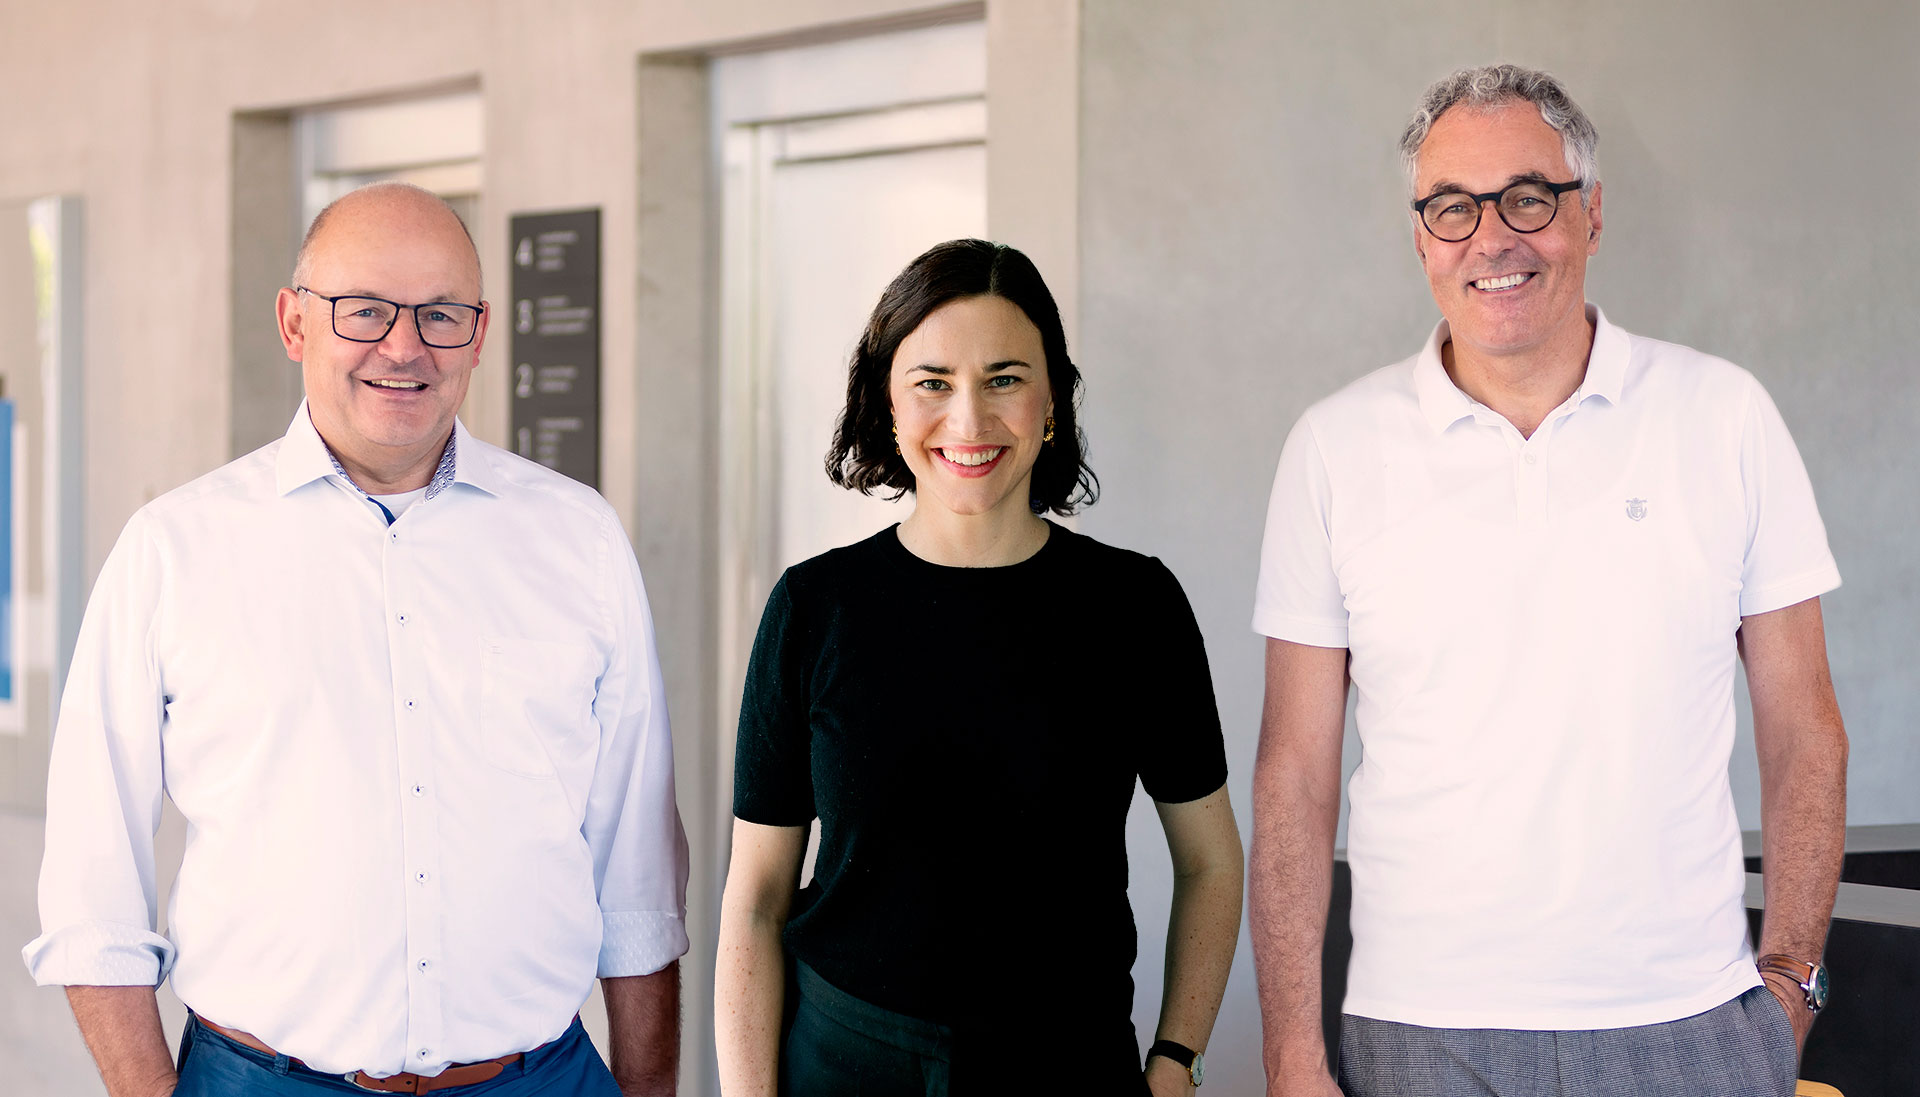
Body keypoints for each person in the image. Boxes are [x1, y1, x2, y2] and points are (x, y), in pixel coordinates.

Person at [1248, 65, 1847, 1097]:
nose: (1492, 237)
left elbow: (1804, 726)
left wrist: (1791, 976)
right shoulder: (1333, 448)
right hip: (1420, 1029)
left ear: (1593, 214)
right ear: (1420, 235)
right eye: (1452, 207)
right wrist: (1292, 1046)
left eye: (1530, 197)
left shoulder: (1725, 416)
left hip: (1689, 1019)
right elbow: (1294, 773)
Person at [24, 182, 689, 1097]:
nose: (404, 346)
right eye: (364, 310)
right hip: (256, 1081)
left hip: (539, 1077)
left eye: (440, 313)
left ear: (481, 332)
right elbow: (91, 880)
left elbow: (638, 872)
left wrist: (649, 1087)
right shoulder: (174, 549)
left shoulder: (579, 539)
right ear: (295, 323)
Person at [713, 239, 1244, 1096]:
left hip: (1069, 1063)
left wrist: (1175, 1059)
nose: (968, 421)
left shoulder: (1135, 605)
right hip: (845, 1060)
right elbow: (756, 898)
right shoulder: (814, 607)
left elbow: (1212, 860)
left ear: (1051, 405)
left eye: (1004, 378)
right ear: (886, 402)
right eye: (933, 382)